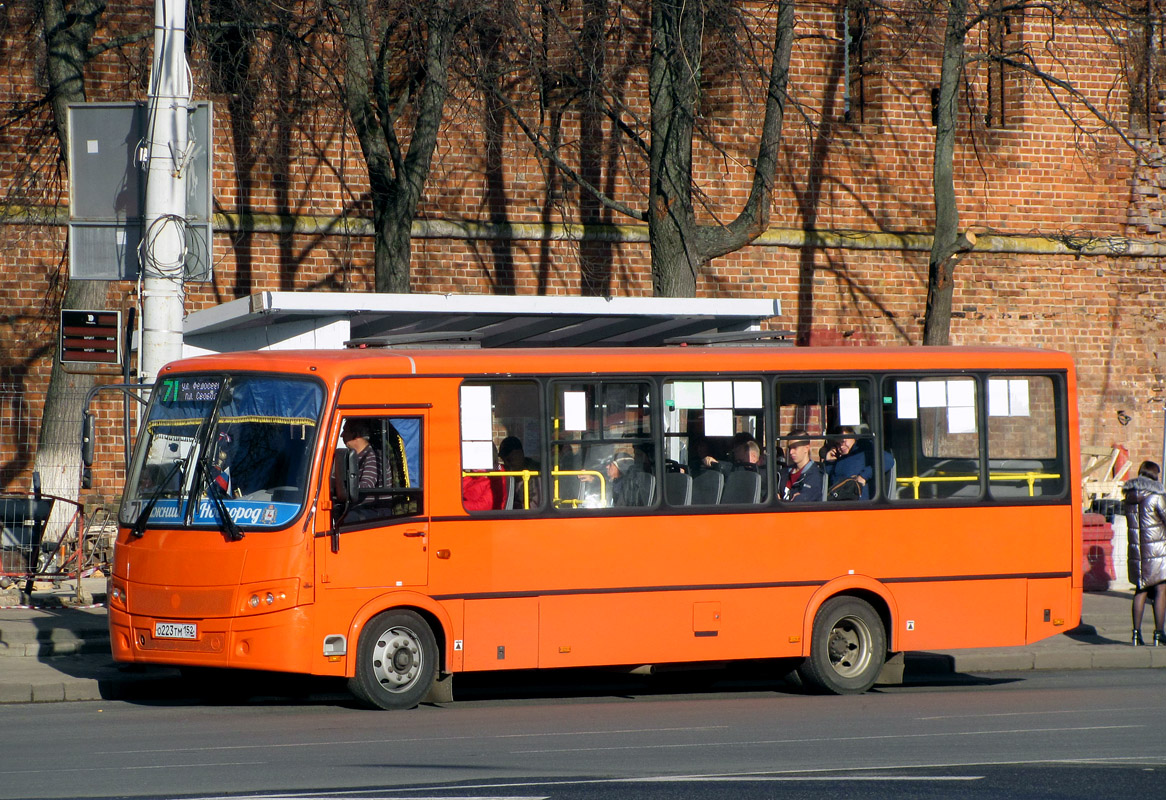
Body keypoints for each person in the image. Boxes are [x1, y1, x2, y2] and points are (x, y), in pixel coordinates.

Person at [1123, 460, 1166, 646]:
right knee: (1160, 589)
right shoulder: (1156, 496)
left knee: (1140, 590)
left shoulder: (1129, 498)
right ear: (1154, 475)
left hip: (1137, 552)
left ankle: (1135, 634)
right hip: (1157, 551)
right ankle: (1159, 633)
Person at [823, 425, 892, 501]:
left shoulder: (863, 448)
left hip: (858, 503)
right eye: (838, 444)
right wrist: (829, 461)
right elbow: (831, 480)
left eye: (843, 441)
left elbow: (887, 460)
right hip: (837, 501)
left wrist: (864, 476)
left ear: (853, 436)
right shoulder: (840, 458)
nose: (841, 447)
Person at [780, 429, 823, 502]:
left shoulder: (814, 476)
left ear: (806, 448)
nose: (791, 452)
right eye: (790, 448)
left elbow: (801, 503)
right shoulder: (784, 472)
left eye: (795, 448)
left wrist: (779, 501)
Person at [341, 419, 382, 489]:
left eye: (345, 431)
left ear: (356, 435)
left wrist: (343, 487)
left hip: (373, 500)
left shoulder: (373, 457)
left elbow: (367, 486)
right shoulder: (352, 457)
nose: (341, 435)